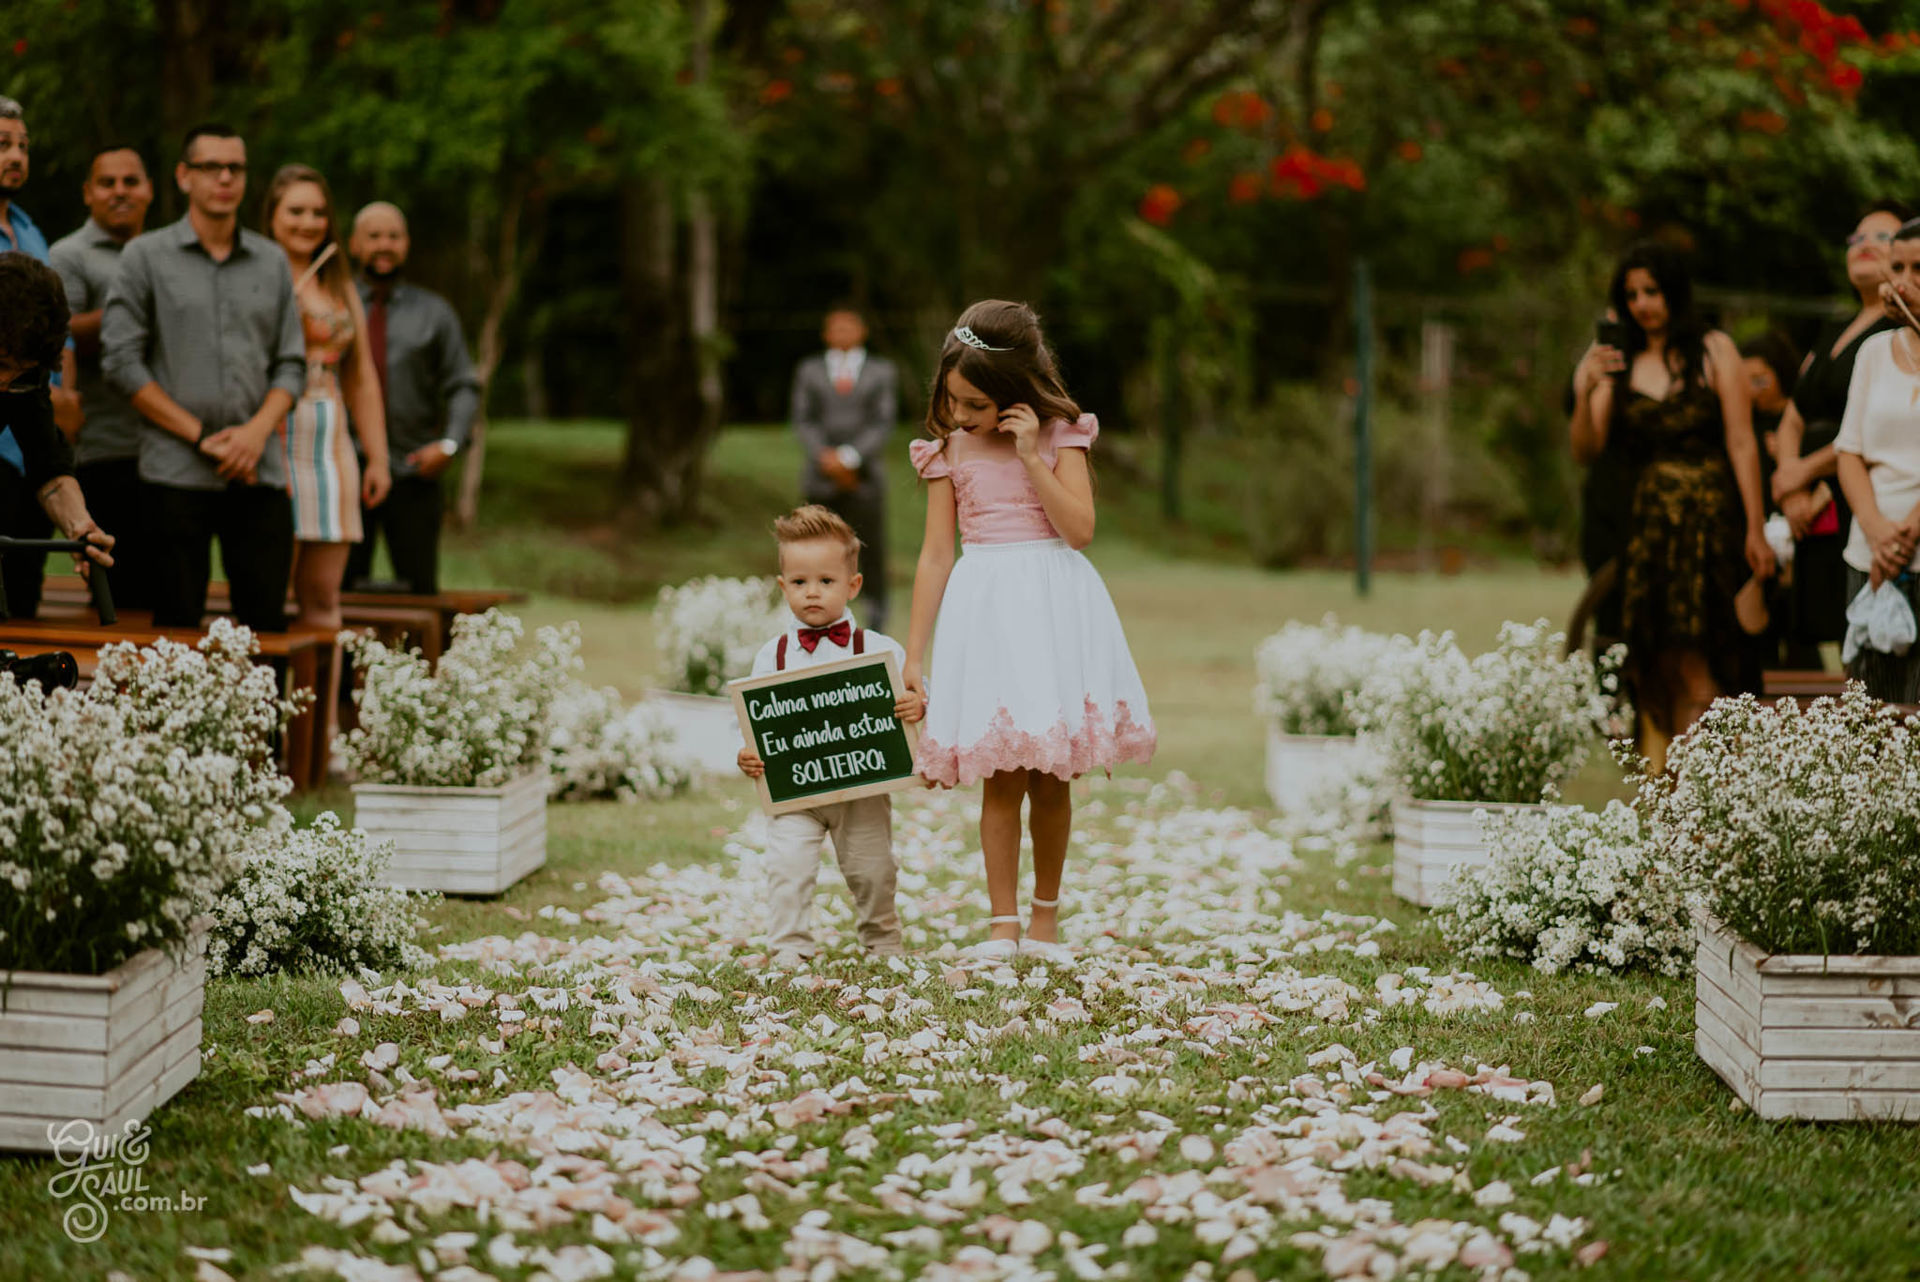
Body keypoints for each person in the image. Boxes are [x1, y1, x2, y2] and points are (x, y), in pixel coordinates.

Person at [903, 300, 1157, 962]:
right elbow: (935, 554)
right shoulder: (947, 451)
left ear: (1016, 396)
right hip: (985, 614)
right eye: (954, 400)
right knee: (1001, 775)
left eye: (976, 404)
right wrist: (914, 652)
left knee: (1051, 777)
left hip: (1052, 612)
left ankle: (1044, 925)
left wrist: (1030, 455)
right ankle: (1001, 925)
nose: (960, 415)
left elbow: (1079, 530)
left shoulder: (1062, 435)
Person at [1570, 243, 1774, 772]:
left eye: (1652, 291)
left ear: (1673, 292)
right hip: (1651, 532)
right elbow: (1585, 450)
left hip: (1710, 525)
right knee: (1655, 664)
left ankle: (1701, 790)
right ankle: (1667, 789)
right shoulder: (1618, 364)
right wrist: (1584, 385)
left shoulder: (1714, 350)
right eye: (1632, 294)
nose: (1642, 304)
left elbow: (1742, 442)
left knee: (1703, 661)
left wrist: (1755, 527)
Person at [102, 123, 306, 635]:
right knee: (174, 631)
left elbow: (292, 363)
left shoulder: (271, 259)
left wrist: (255, 433)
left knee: (264, 630)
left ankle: (262, 722)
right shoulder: (145, 256)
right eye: (211, 167)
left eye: (235, 168)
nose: (225, 178)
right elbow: (121, 362)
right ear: (184, 176)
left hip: (258, 470)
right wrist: (200, 436)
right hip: (174, 471)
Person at [735, 505, 925, 967]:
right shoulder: (772, 655)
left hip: (863, 789)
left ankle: (881, 938)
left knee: (873, 869)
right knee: (787, 867)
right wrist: (745, 753)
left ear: (853, 585)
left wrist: (916, 708)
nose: (812, 593)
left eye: (826, 581)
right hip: (795, 788)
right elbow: (749, 719)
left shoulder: (880, 650)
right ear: (783, 588)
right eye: (799, 583)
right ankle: (789, 946)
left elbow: (913, 710)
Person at [1772, 200, 1914, 668]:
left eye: (1880, 237)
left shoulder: (1886, 337)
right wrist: (1790, 480)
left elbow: (1851, 443)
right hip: (1851, 529)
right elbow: (1817, 428)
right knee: (1863, 676)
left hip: (1882, 522)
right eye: (1857, 238)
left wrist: (1903, 536)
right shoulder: (1854, 339)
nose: (1864, 246)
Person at [264, 165, 390, 631]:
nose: (308, 222)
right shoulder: (259, 273)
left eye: (319, 212)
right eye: (295, 210)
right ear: (272, 216)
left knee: (322, 596)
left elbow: (362, 378)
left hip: (331, 440)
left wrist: (377, 457)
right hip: (276, 436)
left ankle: (322, 706)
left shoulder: (339, 284)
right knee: (270, 591)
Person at [343, 201, 480, 596]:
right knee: (338, 595)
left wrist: (450, 445)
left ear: (407, 244)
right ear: (354, 244)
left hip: (415, 470)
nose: (384, 244)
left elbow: (462, 385)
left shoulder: (435, 313)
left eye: (393, 236)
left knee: (420, 592)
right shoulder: (331, 307)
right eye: (373, 236)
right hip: (345, 469)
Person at [49, 145, 156, 610]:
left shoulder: (162, 252)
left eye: (130, 181)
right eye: (107, 182)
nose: (120, 192)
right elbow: (59, 333)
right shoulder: (69, 254)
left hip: (162, 451)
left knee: (164, 596)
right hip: (102, 448)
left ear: (150, 190)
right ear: (88, 193)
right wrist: (138, 314)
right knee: (119, 600)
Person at [0, 96, 81, 618]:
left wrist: (81, 526)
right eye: (2, 145)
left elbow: (49, 465)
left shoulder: (31, 233)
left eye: (22, 147)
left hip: (12, 459)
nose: (15, 156)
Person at [1835, 220, 1920, 702]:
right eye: (1899, 267)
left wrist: (1910, 526)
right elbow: (1849, 450)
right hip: (1870, 557)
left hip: (1911, 543)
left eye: (1919, 268)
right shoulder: (1872, 352)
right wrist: (1875, 527)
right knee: (1869, 718)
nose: (1906, 279)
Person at [0, 253, 115, 600]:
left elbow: (48, 466)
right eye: (0, 363)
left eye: (18, 374)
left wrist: (79, 525)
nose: (3, 383)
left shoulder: (26, 378)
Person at [790, 307, 899, 632]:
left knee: (871, 549)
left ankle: (877, 616)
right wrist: (825, 457)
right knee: (816, 550)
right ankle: (818, 617)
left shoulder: (881, 372)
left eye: (848, 327)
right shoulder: (809, 370)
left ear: (861, 331)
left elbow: (883, 422)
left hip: (865, 478)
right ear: (826, 333)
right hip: (820, 476)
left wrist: (850, 458)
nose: (841, 334)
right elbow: (803, 419)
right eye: (835, 328)